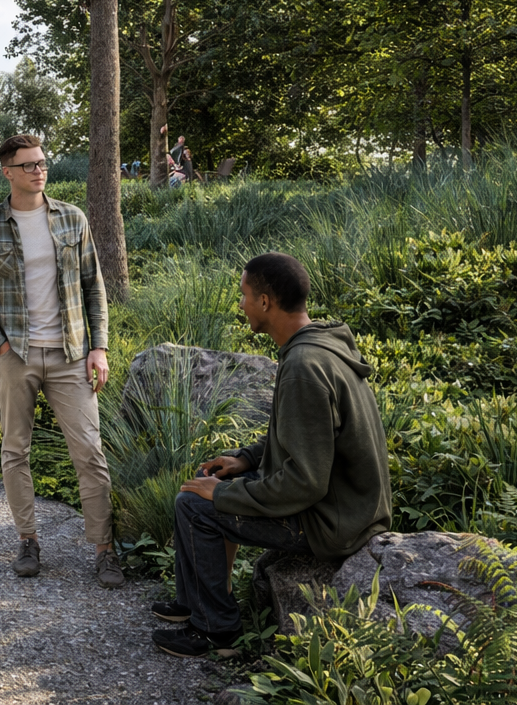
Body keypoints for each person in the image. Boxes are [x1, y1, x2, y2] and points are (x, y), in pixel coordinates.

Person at [150, 253, 392, 658]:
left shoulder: (303, 366)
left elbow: (305, 481)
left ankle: (215, 631)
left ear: (265, 302)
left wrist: (223, 496)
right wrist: (245, 459)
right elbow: (304, 438)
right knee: (207, 483)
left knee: (196, 505)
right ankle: (194, 604)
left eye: (243, 295)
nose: (240, 304)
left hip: (333, 522)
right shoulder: (318, 347)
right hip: (346, 507)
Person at [0, 134, 125, 589]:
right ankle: (28, 541)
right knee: (16, 451)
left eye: (42, 163)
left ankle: (104, 550)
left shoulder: (72, 219)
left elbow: (95, 287)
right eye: (28, 164)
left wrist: (100, 346)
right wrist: (0, 344)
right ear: (7, 171)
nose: (39, 170)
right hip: (16, 356)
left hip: (72, 354)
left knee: (90, 453)